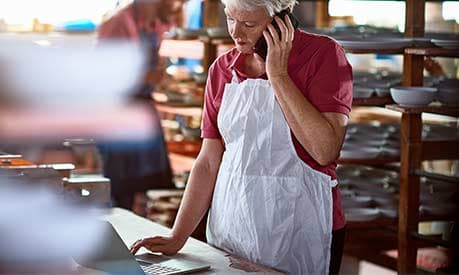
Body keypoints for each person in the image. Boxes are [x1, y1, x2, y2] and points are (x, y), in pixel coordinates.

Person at [130, 0, 352, 274]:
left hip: (302, 228)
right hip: (233, 228)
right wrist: (178, 236)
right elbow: (208, 161)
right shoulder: (222, 69)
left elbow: (324, 150)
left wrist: (279, 75)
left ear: (283, 21)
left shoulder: (324, 55)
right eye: (230, 18)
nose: (236, 32)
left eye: (249, 24)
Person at [97, 0, 188, 212]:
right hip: (118, 112)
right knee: (123, 187)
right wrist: (147, 76)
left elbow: (173, 25)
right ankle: (122, 237)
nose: (180, 6)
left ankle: (152, 235)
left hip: (143, 108)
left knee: (155, 182)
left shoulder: (156, 18)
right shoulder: (119, 24)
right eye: (179, 1)